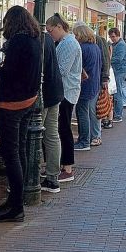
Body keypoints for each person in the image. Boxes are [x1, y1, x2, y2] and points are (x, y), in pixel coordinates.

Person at [0, 6, 41, 222]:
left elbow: (10, 72)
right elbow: (22, 71)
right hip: (28, 101)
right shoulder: (33, 39)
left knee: (11, 154)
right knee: (19, 151)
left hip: (13, 104)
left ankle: (16, 207)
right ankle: (15, 200)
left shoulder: (18, 41)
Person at [45, 14, 81, 190]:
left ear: (59, 27)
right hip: (66, 90)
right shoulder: (66, 42)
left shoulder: (68, 44)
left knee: (63, 129)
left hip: (66, 91)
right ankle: (62, 165)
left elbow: (61, 69)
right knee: (61, 129)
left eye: (51, 31)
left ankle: (67, 167)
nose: (50, 34)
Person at [37, 20, 64, 193]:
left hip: (45, 94)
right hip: (55, 92)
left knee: (36, 134)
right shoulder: (47, 39)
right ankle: (53, 177)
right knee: (52, 135)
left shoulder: (39, 40)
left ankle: (35, 174)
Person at [72, 24, 102, 158]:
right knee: (87, 112)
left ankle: (84, 141)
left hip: (84, 84)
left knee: (82, 112)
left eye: (76, 34)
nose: (75, 37)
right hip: (94, 84)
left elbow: (79, 67)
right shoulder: (95, 47)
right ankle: (88, 138)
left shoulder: (82, 48)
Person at [109, 27, 126, 123]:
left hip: (120, 71)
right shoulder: (115, 44)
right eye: (111, 37)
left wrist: (108, 60)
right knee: (116, 91)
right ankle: (116, 114)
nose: (112, 38)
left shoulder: (121, 45)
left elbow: (119, 58)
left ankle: (118, 115)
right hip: (117, 70)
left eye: (113, 36)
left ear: (118, 35)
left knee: (118, 92)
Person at [96, 25, 113, 131]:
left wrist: (105, 78)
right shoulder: (106, 45)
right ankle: (106, 120)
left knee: (106, 99)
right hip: (106, 76)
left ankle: (108, 119)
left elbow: (107, 61)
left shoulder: (105, 45)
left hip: (105, 77)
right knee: (106, 99)